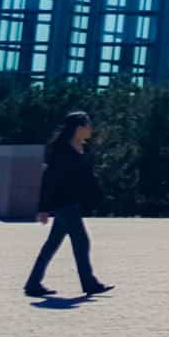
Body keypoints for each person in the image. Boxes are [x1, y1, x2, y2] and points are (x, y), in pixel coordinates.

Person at [25, 111, 111, 299]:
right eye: (88, 125)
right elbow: (49, 180)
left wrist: (97, 196)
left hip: (73, 201)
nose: (91, 129)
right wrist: (43, 208)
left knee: (52, 243)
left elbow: (87, 177)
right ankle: (89, 282)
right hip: (62, 202)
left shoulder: (83, 148)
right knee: (81, 240)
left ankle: (33, 283)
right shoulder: (61, 150)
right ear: (79, 128)